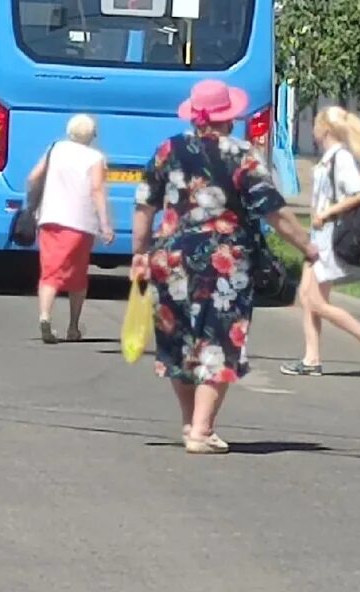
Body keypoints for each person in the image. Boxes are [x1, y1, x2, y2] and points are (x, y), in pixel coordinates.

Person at [131, 80, 319, 455]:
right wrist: (306, 246)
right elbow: (274, 211)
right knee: (217, 341)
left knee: (179, 342)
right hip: (223, 264)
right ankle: (202, 430)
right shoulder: (242, 155)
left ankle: (190, 424)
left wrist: (139, 253)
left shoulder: (168, 149)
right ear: (228, 118)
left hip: (170, 259)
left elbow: (144, 205)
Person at [281, 107, 360, 378]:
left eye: (316, 124)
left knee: (314, 301)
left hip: (329, 237)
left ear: (324, 129)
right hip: (318, 236)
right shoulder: (330, 158)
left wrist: (327, 212)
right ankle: (311, 358)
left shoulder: (340, 158)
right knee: (307, 297)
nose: (313, 130)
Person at [26, 114, 113, 344]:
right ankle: (73, 327)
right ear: (92, 135)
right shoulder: (95, 157)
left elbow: (33, 176)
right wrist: (105, 223)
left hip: (50, 218)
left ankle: (45, 316)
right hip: (80, 223)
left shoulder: (56, 148)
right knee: (77, 275)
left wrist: (34, 202)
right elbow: (96, 189)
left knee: (49, 271)